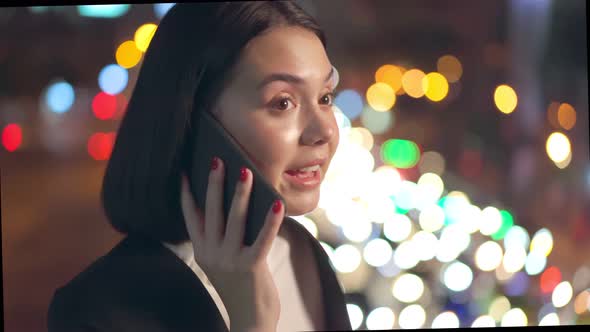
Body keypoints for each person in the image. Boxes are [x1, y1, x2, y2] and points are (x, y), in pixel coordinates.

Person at [47, 2, 352, 331]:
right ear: (196, 122)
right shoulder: (95, 310)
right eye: (282, 102)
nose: (325, 132)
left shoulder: (301, 251)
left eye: (325, 97)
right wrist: (253, 321)